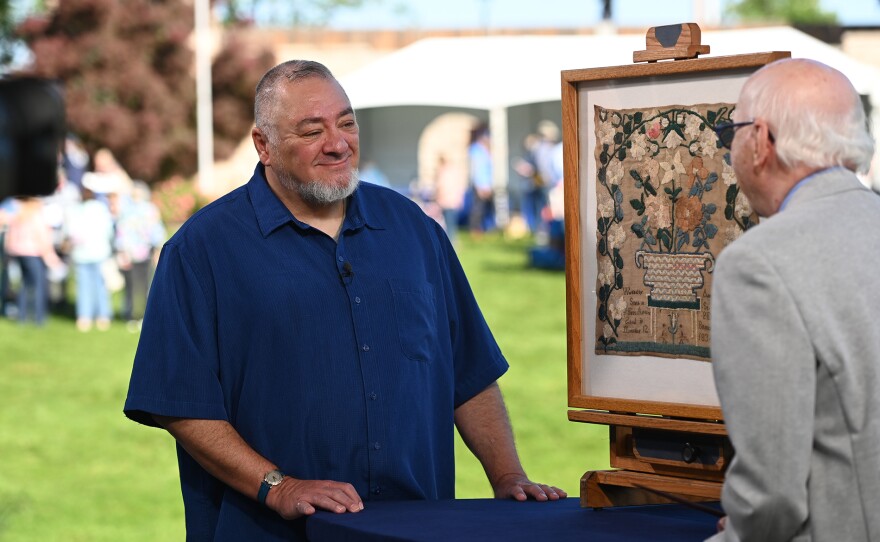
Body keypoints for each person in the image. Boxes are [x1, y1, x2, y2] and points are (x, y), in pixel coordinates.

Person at [123, 60, 565, 541]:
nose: (337, 144)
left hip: (417, 526)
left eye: (347, 123)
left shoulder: (415, 231)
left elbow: (469, 373)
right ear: (263, 145)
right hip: (268, 532)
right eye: (312, 131)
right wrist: (277, 485)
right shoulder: (201, 251)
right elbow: (180, 402)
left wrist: (508, 476)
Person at [707, 58, 880, 541]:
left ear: (761, 140)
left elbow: (771, 497)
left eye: (730, 133)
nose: (730, 149)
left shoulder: (759, 263)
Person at [467, 123, 495, 236]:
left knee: (487, 208)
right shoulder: (476, 150)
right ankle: (475, 230)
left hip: (487, 184)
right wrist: (480, 185)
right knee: (477, 208)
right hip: (480, 184)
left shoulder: (485, 151)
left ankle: (486, 228)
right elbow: (477, 170)